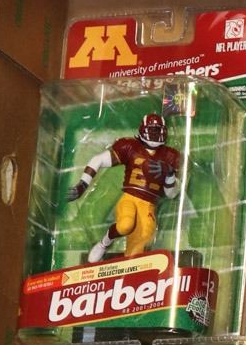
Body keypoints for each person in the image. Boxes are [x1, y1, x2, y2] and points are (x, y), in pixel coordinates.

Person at [67, 112, 181, 264]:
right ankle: (104, 243)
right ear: (143, 130)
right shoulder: (130, 147)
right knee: (125, 225)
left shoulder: (170, 155)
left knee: (143, 240)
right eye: (152, 130)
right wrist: (83, 184)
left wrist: (169, 174)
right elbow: (98, 160)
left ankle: (129, 271)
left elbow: (171, 194)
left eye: (158, 130)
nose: (155, 134)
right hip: (130, 198)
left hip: (148, 205)